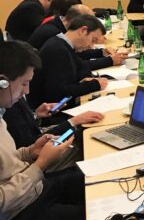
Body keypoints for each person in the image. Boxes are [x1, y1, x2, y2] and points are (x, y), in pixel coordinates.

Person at [0, 40, 85, 220]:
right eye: (24, 83)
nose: (27, 91)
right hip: (21, 210)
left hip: (34, 189)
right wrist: (40, 164)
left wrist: (29, 152)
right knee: (94, 212)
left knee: (91, 179)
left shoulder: (1, 113)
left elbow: (5, 162)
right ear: (3, 83)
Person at [27, 14, 109, 110]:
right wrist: (94, 85)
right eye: (93, 40)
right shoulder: (58, 50)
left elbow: (82, 66)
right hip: (51, 114)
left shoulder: (64, 44)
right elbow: (60, 94)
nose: (91, 46)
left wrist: (85, 78)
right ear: (83, 30)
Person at [28, 4, 126, 71]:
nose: (92, 45)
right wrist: (109, 61)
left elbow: (75, 56)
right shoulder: (53, 34)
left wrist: (101, 52)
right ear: (80, 23)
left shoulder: (60, 28)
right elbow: (75, 62)